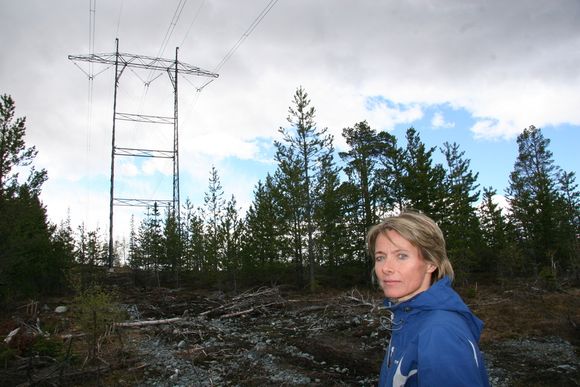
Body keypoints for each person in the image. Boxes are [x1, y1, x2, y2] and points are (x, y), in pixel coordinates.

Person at [367, 211, 490, 387]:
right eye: (380, 257)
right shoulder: (407, 317)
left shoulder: (440, 331)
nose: (386, 268)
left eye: (401, 256)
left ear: (431, 263)